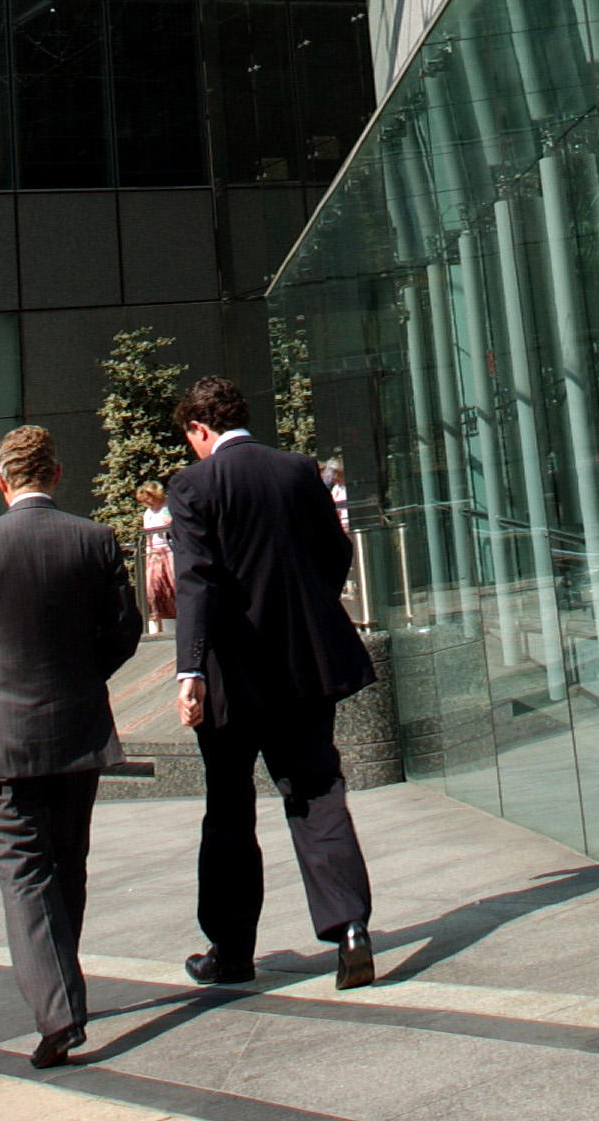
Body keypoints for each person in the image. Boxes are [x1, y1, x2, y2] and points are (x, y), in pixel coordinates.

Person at [0, 423, 142, 1073]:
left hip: (3, 738)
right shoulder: (94, 539)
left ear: (1, 482)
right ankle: (62, 993)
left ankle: (59, 1014)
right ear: (56, 474)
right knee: (67, 865)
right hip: (78, 730)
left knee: (25, 874)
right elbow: (126, 630)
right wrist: (82, 673)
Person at [169, 373, 375, 994]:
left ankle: (231, 951)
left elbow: (197, 582)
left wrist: (190, 671)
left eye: (190, 437)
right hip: (305, 666)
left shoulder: (194, 484)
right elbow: (335, 553)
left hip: (233, 676)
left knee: (229, 808)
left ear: (199, 428)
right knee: (317, 788)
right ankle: (350, 929)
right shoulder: (298, 470)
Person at [139, 485, 175, 636]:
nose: (147, 502)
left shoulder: (169, 506)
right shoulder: (148, 513)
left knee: (173, 586)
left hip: (170, 551)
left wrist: (171, 522)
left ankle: (177, 621)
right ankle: (156, 625)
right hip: (154, 552)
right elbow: (148, 537)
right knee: (152, 589)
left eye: (148, 498)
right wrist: (148, 555)